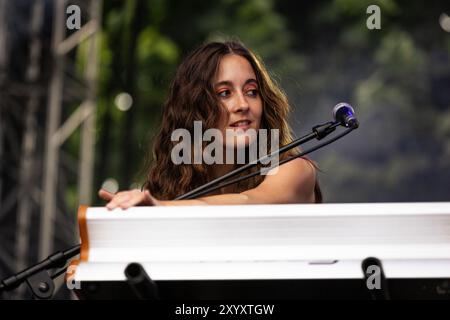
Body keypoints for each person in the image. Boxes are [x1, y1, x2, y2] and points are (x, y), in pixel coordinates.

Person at [98, 41, 322, 209]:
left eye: (251, 91)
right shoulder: (169, 187)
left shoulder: (296, 169)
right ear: (195, 109)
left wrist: (162, 209)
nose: (243, 104)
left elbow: (250, 201)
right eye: (225, 93)